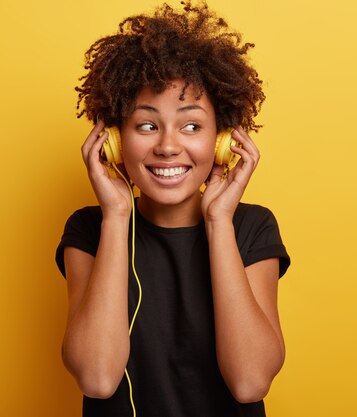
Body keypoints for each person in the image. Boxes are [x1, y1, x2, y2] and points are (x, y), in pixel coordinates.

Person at [54, 2, 290, 416]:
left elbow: (250, 383)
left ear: (223, 139)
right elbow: (97, 377)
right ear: (113, 140)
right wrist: (116, 217)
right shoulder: (90, 229)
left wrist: (218, 222)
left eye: (192, 125)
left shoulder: (252, 226)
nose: (166, 145)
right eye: (146, 125)